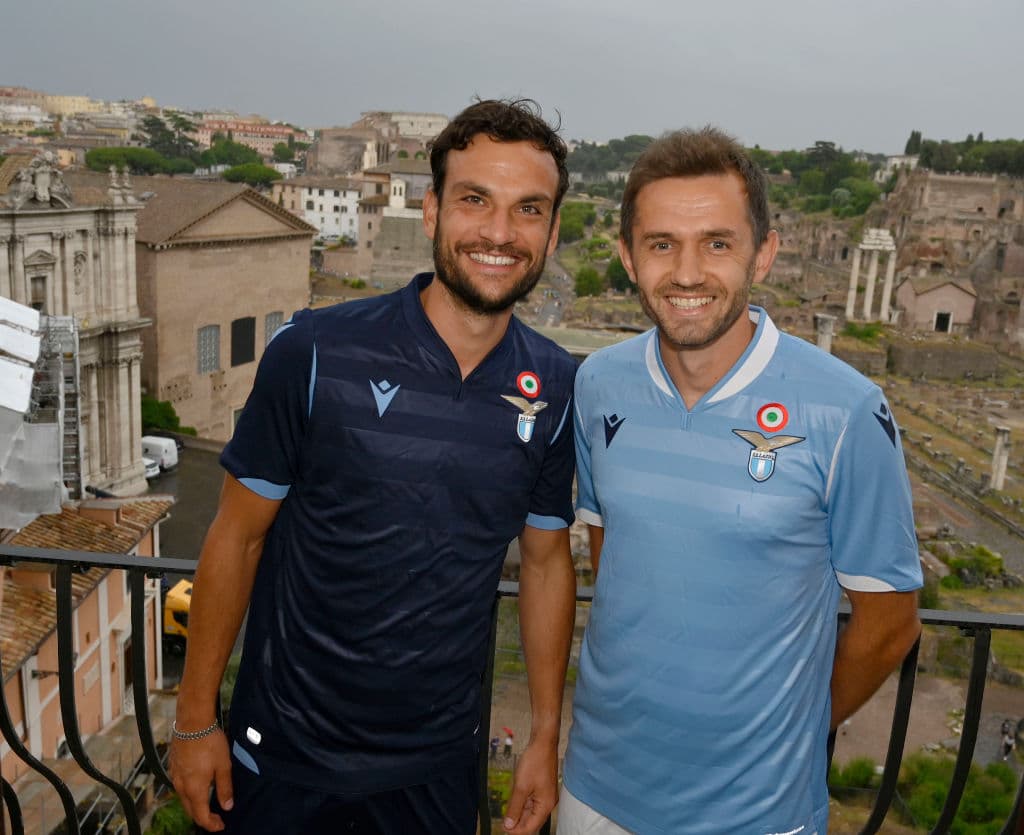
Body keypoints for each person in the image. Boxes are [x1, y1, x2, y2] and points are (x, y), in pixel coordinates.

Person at [169, 99, 578, 835]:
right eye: (474, 200)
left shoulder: (554, 384)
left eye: (528, 210)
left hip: (437, 767)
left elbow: (546, 564)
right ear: (430, 212)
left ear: (551, 232)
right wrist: (196, 722)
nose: (498, 232)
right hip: (285, 751)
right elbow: (236, 537)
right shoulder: (316, 351)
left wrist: (544, 736)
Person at [559, 127, 923, 835]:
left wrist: (788, 729)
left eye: (717, 243)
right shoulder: (599, 383)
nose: (688, 272)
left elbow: (890, 625)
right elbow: (615, 559)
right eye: (662, 243)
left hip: (755, 813)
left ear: (764, 253)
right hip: (595, 790)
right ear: (628, 257)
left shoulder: (846, 409)